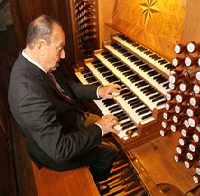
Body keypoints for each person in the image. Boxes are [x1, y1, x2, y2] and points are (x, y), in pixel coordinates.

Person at [8, 14, 121, 194]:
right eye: (60, 48)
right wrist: (99, 128)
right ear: (41, 47)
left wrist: (98, 91)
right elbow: (60, 150)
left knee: (102, 122)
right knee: (110, 151)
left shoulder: (33, 62)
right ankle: (95, 182)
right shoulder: (29, 96)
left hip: (66, 121)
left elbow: (66, 87)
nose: (63, 54)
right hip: (55, 151)